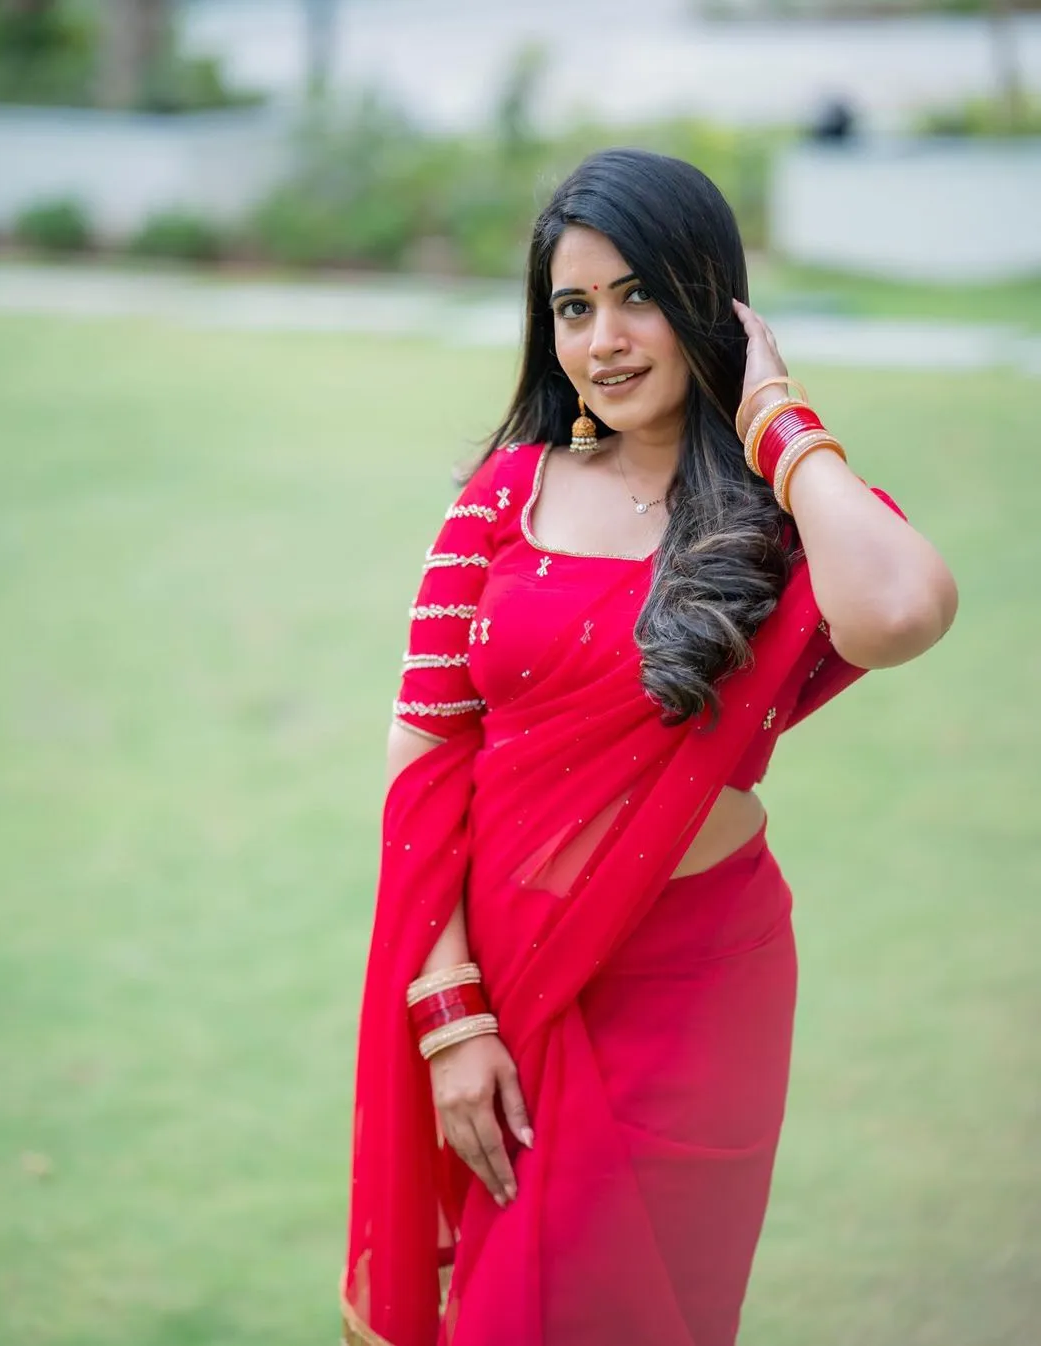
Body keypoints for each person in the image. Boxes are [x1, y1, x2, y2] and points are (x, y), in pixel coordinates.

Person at [341, 148, 957, 1346]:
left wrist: (777, 416)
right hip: (510, 992)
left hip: (698, 992)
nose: (605, 339)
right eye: (573, 307)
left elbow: (900, 610)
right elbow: (421, 763)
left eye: (638, 297)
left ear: (706, 300)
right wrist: (450, 1009)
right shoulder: (501, 498)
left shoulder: (773, 519)